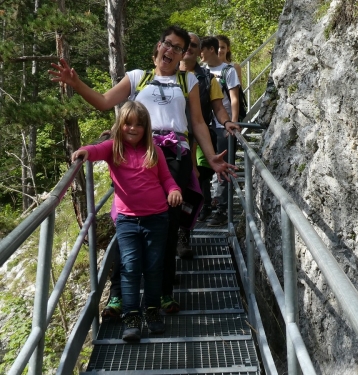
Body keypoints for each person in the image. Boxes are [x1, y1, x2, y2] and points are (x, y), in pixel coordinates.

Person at [49, 26, 237, 315]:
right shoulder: (138, 77)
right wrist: (76, 84)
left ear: (184, 54)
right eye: (167, 44)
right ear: (158, 47)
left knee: (168, 225)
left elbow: (197, 122)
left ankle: (163, 293)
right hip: (137, 152)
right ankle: (117, 294)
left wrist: (210, 157)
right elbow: (103, 101)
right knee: (128, 221)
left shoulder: (188, 81)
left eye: (178, 47)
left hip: (174, 155)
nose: (171, 50)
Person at [72, 101, 182, 342]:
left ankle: (151, 313)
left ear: (146, 128)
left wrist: (174, 190)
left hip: (157, 218)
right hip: (127, 221)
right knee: (130, 268)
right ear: (119, 126)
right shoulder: (113, 148)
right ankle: (131, 318)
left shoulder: (155, 150)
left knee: (154, 268)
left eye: (139, 125)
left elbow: (166, 178)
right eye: (128, 124)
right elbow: (96, 150)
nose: (133, 128)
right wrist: (84, 152)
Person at [176, 32, 241, 258]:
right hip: (169, 144)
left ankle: (184, 234)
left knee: (193, 188)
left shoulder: (207, 78)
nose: (190, 49)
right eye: (186, 45)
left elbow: (218, 107)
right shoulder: (165, 74)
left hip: (199, 141)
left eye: (194, 45)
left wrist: (228, 121)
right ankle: (174, 238)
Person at [200, 36, 240, 227]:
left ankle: (223, 209)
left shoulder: (228, 70)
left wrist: (232, 122)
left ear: (210, 49)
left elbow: (234, 98)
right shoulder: (201, 71)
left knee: (224, 165)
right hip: (205, 124)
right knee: (203, 167)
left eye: (202, 49)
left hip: (222, 125)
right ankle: (204, 205)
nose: (199, 53)